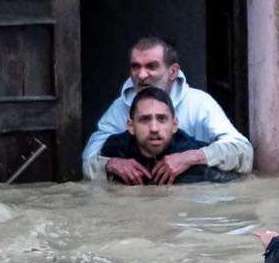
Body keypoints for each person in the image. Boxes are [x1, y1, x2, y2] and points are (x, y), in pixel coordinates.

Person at [82, 37, 252, 183]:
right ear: (130, 124)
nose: (141, 75)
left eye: (151, 66)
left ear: (173, 72)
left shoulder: (199, 103)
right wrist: (111, 164)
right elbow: (88, 163)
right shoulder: (119, 108)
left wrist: (190, 158)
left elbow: (244, 153)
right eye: (135, 67)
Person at [87, 87, 238, 185]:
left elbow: (235, 184)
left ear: (174, 125)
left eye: (161, 119)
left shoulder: (188, 150)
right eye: (145, 119)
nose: (154, 128)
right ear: (131, 127)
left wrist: (190, 158)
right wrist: (108, 164)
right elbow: (90, 172)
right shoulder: (116, 148)